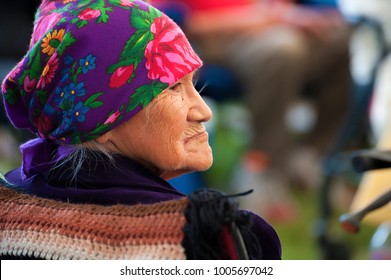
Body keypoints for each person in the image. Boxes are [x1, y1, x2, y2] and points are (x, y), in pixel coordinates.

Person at [0, 0, 281, 260]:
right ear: (100, 122)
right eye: (173, 88)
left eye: (193, 84)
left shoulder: (9, 207)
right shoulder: (211, 237)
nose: (203, 111)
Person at [151, 0, 352, 220]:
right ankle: (262, 167)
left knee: (341, 37)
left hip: (283, 28)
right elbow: (165, 20)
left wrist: (314, 16)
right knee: (283, 50)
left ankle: (313, 157)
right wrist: (258, 19)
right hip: (221, 39)